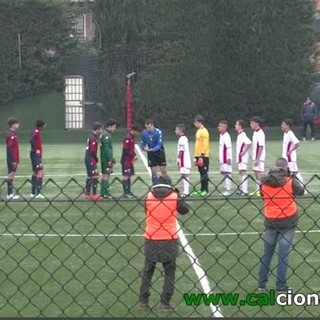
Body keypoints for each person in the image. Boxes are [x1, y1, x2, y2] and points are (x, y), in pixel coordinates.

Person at [139, 174, 189, 311]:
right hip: (169, 237)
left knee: (148, 270)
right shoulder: (174, 196)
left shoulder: (148, 195)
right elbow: (185, 210)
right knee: (169, 272)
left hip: (151, 236)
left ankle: (143, 301)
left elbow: (146, 211)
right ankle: (165, 302)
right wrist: (177, 195)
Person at [257, 158, 304, 292]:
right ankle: (280, 286)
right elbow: (301, 192)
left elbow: (262, 196)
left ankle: (261, 284)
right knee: (283, 255)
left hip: (271, 219)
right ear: (285, 168)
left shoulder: (264, 183)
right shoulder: (289, 181)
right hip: (288, 220)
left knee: (267, 253)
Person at [141, 119, 167, 186]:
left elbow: (159, 144)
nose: (148, 129)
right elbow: (142, 144)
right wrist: (144, 148)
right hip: (151, 153)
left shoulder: (158, 132)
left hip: (159, 152)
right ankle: (155, 186)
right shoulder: (144, 133)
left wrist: (153, 149)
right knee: (153, 172)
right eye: (146, 127)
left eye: (149, 127)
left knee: (163, 171)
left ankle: (166, 185)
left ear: (153, 125)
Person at [281, 119, 304, 186]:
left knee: (295, 172)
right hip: (286, 158)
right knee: (288, 173)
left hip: (290, 158)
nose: (281, 126)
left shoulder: (290, 133)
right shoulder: (285, 133)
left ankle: (302, 187)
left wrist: (290, 151)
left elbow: (297, 143)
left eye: (283, 124)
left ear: (287, 126)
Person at [85, 122, 103, 200]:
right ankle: (94, 194)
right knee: (95, 175)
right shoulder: (93, 138)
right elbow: (92, 151)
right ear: (97, 129)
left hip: (88, 158)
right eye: (101, 129)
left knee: (90, 175)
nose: (101, 131)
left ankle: (88, 193)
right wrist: (96, 158)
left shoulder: (91, 136)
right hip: (91, 159)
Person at [121, 125, 141, 198]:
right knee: (126, 175)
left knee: (129, 175)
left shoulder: (132, 137)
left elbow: (131, 149)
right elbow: (125, 149)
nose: (138, 134)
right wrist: (133, 155)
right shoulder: (128, 138)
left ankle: (128, 191)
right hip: (126, 160)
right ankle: (126, 193)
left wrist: (134, 155)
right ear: (134, 130)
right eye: (137, 132)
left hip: (129, 160)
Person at [100, 119, 117, 199]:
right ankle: (105, 193)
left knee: (106, 174)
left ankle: (104, 192)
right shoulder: (106, 135)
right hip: (106, 159)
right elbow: (106, 148)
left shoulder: (105, 134)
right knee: (106, 175)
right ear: (109, 126)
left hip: (105, 158)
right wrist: (110, 158)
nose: (114, 129)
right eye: (114, 127)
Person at [193, 115, 210, 197]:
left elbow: (205, 144)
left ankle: (206, 190)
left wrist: (202, 155)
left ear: (200, 122)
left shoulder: (204, 131)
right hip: (198, 155)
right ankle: (202, 189)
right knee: (201, 173)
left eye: (195, 122)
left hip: (203, 156)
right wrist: (195, 156)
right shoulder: (198, 131)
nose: (194, 124)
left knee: (204, 173)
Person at [250, 116, 266, 196]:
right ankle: (258, 190)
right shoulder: (255, 132)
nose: (251, 125)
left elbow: (261, 146)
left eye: (252, 123)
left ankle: (262, 190)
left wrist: (257, 158)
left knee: (260, 174)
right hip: (255, 157)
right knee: (256, 173)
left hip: (259, 158)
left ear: (257, 124)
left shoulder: (260, 133)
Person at [235, 120, 251, 196]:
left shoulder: (243, 135)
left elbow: (248, 143)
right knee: (241, 172)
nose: (235, 126)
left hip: (243, 158)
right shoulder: (240, 135)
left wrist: (243, 152)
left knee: (243, 172)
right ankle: (242, 189)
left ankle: (245, 191)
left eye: (236, 124)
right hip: (240, 157)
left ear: (240, 126)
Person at [30, 119, 46, 199]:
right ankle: (38, 193)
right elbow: (32, 140)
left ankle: (33, 192)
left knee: (35, 172)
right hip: (36, 154)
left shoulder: (36, 131)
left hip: (35, 154)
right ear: (42, 125)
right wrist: (35, 149)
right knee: (40, 172)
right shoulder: (36, 131)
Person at [175, 124, 191, 198]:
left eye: (176, 130)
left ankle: (186, 191)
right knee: (184, 176)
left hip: (184, 161)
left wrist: (178, 160)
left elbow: (181, 151)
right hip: (184, 160)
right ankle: (185, 190)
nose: (175, 131)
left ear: (180, 131)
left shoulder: (182, 139)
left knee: (185, 176)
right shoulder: (183, 138)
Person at [6, 118, 20, 200]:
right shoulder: (11, 135)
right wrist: (13, 160)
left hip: (14, 159)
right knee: (11, 175)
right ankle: (9, 194)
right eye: (17, 123)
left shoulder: (13, 134)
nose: (18, 125)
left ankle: (10, 193)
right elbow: (10, 148)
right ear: (13, 124)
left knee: (12, 175)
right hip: (12, 159)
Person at [218, 120, 232, 196]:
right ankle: (226, 188)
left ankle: (228, 189)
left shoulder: (226, 136)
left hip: (226, 158)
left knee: (227, 173)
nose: (218, 127)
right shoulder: (221, 135)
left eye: (220, 126)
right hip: (222, 159)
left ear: (224, 127)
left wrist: (229, 158)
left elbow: (228, 147)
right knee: (224, 173)